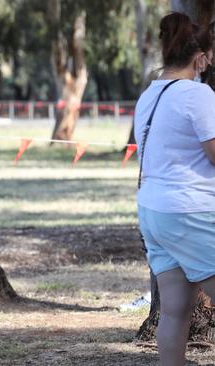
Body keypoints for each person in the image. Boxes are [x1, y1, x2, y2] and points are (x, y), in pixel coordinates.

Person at [135, 12, 215, 366]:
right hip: (190, 210)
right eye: (209, 58)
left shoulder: (147, 97)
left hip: (154, 213)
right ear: (199, 58)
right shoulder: (198, 95)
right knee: (175, 311)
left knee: (174, 311)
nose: (210, 64)